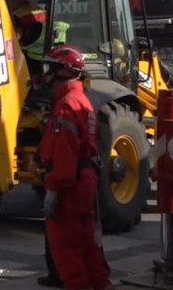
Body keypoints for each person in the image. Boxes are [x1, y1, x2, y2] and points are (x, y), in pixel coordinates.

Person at [38, 45, 113, 290]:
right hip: (84, 182)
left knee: (68, 253)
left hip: (69, 187)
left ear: (63, 72)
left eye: (49, 69)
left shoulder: (67, 105)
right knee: (89, 247)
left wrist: (54, 189)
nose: (45, 75)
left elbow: (65, 155)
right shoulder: (83, 101)